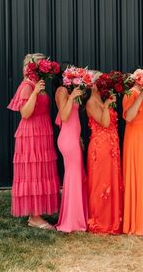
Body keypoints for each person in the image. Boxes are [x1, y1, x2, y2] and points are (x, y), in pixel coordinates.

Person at [7, 53, 60, 229]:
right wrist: (35, 92)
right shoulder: (27, 86)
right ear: (32, 67)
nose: (44, 67)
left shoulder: (38, 84)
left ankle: (37, 212)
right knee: (33, 173)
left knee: (41, 172)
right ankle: (34, 217)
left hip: (41, 131)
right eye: (41, 65)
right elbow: (25, 113)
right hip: (31, 134)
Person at [86, 82, 123, 234]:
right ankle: (100, 221)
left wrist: (107, 104)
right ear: (92, 86)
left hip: (111, 146)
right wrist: (107, 106)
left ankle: (112, 219)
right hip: (100, 147)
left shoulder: (101, 100)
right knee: (101, 184)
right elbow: (105, 122)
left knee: (112, 182)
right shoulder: (91, 103)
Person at [55, 79, 88, 232]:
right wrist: (72, 96)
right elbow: (64, 116)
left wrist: (79, 137)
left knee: (76, 178)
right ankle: (71, 221)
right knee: (73, 179)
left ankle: (77, 217)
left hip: (74, 138)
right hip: (68, 140)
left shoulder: (68, 92)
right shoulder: (62, 91)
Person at [122, 86, 143, 235]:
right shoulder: (131, 93)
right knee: (138, 174)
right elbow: (129, 117)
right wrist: (140, 97)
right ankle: (137, 221)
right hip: (136, 138)